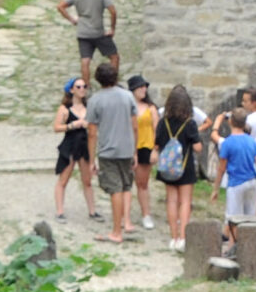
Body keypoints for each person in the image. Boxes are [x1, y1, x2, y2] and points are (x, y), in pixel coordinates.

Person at [83, 63, 137, 244]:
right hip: (127, 148)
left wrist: (91, 159)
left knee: (115, 189)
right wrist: (135, 151)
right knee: (125, 186)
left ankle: (116, 231)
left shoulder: (95, 101)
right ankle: (123, 223)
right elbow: (134, 125)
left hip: (108, 150)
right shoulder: (128, 96)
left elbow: (92, 132)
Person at [216, 112, 256, 252]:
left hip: (236, 183)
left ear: (230, 122)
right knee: (250, 218)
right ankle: (250, 250)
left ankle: (232, 248)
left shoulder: (227, 143)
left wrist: (216, 188)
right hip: (252, 182)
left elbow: (221, 168)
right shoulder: (251, 142)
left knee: (233, 219)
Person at [153, 85, 201, 252]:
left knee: (171, 201)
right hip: (185, 167)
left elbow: (157, 143)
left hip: (168, 167)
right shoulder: (190, 124)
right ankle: (183, 238)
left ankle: (173, 238)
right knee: (185, 201)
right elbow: (198, 147)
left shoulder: (162, 122)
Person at [50, 77, 99, 221]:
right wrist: (73, 125)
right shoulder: (65, 109)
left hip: (84, 145)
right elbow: (56, 127)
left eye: (84, 86)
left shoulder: (88, 108)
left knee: (87, 180)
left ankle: (92, 211)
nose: (82, 89)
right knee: (63, 179)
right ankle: (59, 211)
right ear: (71, 90)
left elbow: (93, 130)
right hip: (70, 145)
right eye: (78, 87)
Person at [56, 0, 116, 80]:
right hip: (98, 32)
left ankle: (86, 86)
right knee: (114, 56)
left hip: (83, 33)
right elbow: (113, 11)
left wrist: (72, 19)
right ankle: (113, 81)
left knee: (85, 60)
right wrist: (112, 28)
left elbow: (60, 6)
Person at [127, 75, 157, 234]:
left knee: (142, 182)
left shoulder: (150, 108)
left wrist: (155, 149)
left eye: (144, 87)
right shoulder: (128, 106)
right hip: (129, 146)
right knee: (126, 183)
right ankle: (125, 215)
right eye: (140, 87)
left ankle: (146, 214)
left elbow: (156, 129)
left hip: (145, 146)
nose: (143, 90)